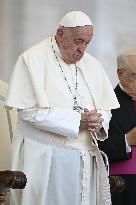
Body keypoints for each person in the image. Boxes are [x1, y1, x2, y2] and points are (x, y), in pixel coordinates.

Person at [5, 11, 119, 205]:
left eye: (86, 43)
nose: (82, 50)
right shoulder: (32, 59)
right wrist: (76, 121)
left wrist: (98, 121)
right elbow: (28, 112)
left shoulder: (92, 65)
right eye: (77, 41)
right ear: (60, 33)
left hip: (85, 160)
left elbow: (105, 108)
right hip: (46, 158)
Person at [98, 50, 136, 205]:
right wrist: (126, 140)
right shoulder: (105, 103)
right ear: (120, 74)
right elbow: (94, 147)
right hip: (123, 185)